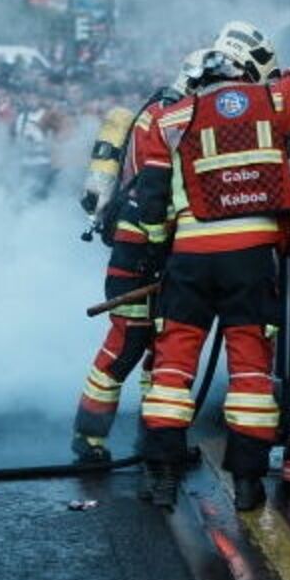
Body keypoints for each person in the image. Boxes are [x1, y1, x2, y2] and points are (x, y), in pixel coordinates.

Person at [120, 4, 290, 511]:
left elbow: (151, 195)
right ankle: (246, 484)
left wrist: (156, 256)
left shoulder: (169, 117)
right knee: (249, 372)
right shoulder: (275, 99)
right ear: (252, 65)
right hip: (252, 261)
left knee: (173, 367)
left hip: (190, 259)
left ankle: (162, 475)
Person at [68, 53, 204, 464]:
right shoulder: (165, 118)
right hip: (139, 249)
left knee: (162, 349)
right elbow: (151, 196)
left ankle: (155, 441)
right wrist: (160, 247)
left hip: (161, 252)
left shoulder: (170, 113)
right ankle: (87, 438)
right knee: (126, 342)